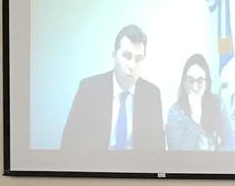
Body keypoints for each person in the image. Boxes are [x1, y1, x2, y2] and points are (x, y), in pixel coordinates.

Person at [60, 24, 165, 153]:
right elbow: (68, 144)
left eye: (138, 59)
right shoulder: (89, 88)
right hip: (96, 169)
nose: (132, 65)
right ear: (114, 55)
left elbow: (158, 151)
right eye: (127, 56)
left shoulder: (151, 94)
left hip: (136, 171)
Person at [165, 54, 232, 151]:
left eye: (200, 81)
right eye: (190, 81)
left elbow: (230, 142)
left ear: (207, 84)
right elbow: (179, 158)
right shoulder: (175, 113)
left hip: (218, 165)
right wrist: (194, 119)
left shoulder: (217, 103)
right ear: (184, 83)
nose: (195, 87)